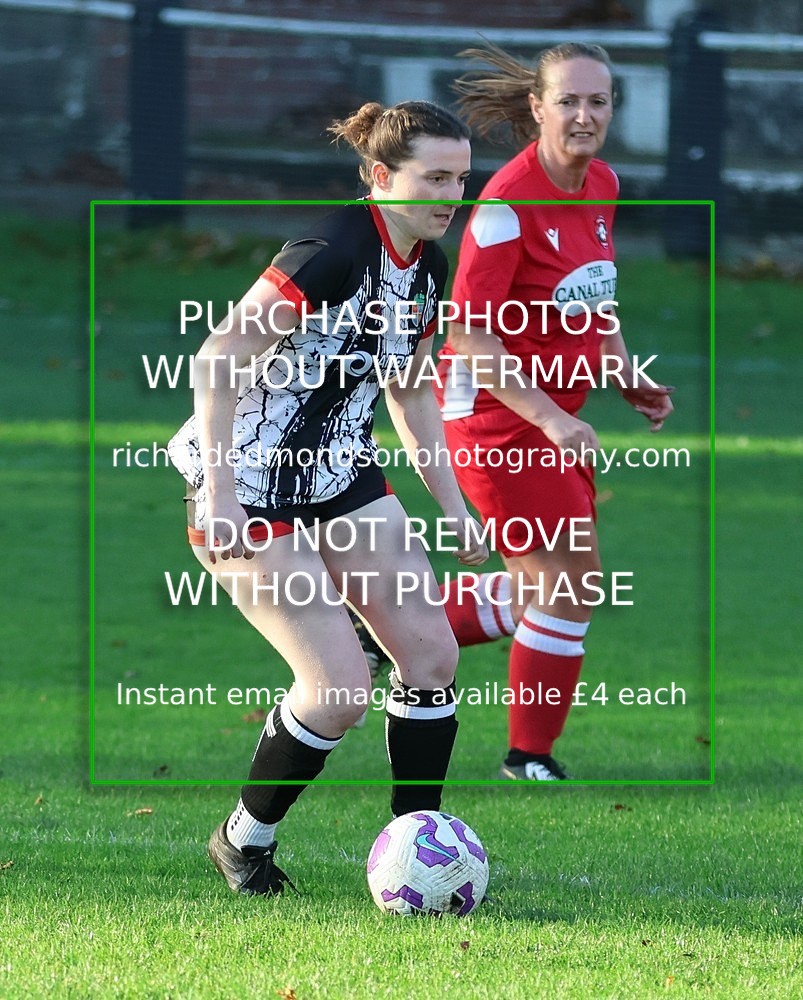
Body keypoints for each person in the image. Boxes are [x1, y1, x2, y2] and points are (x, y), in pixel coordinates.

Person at [167, 100, 487, 894]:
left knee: (430, 655)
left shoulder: (428, 265)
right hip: (249, 482)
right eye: (433, 178)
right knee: (339, 691)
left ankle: (420, 848)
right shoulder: (332, 247)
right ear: (380, 176)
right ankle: (242, 841)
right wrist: (220, 494)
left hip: (341, 475)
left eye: (460, 179)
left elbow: (409, 391)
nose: (450, 196)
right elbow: (218, 358)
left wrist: (453, 507)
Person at [431, 42, 675, 780]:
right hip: (493, 417)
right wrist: (548, 418)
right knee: (569, 585)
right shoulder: (507, 206)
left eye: (597, 101)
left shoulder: (601, 183)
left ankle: (391, 630)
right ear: (537, 108)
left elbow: (593, 293)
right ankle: (526, 757)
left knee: (552, 585)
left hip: (548, 415)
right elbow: (468, 335)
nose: (583, 115)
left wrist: (622, 371)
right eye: (567, 101)